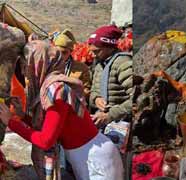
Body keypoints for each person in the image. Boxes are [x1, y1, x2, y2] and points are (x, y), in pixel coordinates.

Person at [0, 40, 123, 180]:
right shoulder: (49, 86)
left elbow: (45, 140)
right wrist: (22, 116)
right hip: (84, 155)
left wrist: (11, 122)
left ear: (39, 63)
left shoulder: (56, 90)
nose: (24, 72)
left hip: (95, 157)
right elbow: (50, 126)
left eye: (26, 66)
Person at [88, 25, 132, 131]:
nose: (93, 55)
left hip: (121, 123)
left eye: (97, 51)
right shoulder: (99, 64)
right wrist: (96, 99)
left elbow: (134, 99)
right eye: (92, 51)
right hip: (103, 122)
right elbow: (94, 90)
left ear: (109, 47)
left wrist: (110, 115)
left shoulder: (123, 63)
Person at [53, 29, 91, 100]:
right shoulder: (48, 65)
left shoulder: (82, 68)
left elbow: (86, 90)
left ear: (70, 51)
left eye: (64, 52)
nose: (60, 55)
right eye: (57, 52)